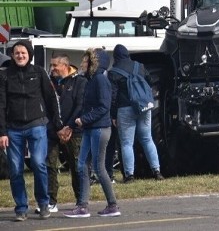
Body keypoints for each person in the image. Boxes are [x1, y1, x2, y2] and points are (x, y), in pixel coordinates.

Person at [0, 40, 64, 221]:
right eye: (17, 53)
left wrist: (57, 124)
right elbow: (1, 104)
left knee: (38, 163)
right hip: (13, 129)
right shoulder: (5, 75)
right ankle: (21, 207)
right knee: (15, 169)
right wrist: (2, 132)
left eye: (23, 53)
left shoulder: (39, 73)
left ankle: (44, 203)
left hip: (37, 125)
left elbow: (51, 98)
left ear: (29, 55)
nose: (20, 56)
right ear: (12, 55)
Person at [64, 48, 120, 218]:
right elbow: (86, 106)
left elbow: (104, 106)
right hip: (90, 129)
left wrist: (85, 119)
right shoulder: (91, 80)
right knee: (82, 166)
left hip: (99, 129)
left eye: (86, 61)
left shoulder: (100, 80)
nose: (82, 64)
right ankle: (82, 206)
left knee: (98, 167)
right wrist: (73, 124)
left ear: (94, 64)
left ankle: (112, 205)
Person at [108, 44, 164, 183]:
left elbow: (113, 96)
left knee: (127, 143)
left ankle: (129, 175)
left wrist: (113, 115)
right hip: (143, 106)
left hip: (124, 109)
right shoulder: (139, 66)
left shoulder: (113, 72)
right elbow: (150, 82)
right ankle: (157, 171)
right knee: (147, 138)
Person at [39, 54, 86, 215]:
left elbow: (80, 105)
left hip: (74, 131)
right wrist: (57, 128)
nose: (51, 69)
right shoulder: (49, 83)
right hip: (53, 131)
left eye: (54, 66)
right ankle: (51, 201)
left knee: (76, 166)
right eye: (51, 66)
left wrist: (69, 126)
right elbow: (46, 107)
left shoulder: (80, 81)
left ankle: (81, 200)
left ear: (65, 65)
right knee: (49, 165)